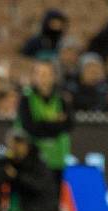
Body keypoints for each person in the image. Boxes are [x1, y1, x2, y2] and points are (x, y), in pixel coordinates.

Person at [17, 59, 72, 199]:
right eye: (40, 74)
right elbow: (29, 127)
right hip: (32, 161)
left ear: (54, 76)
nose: (43, 78)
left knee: (54, 201)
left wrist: (43, 123)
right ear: (33, 77)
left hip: (56, 160)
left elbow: (68, 125)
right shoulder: (26, 98)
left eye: (47, 74)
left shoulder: (62, 99)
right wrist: (54, 123)